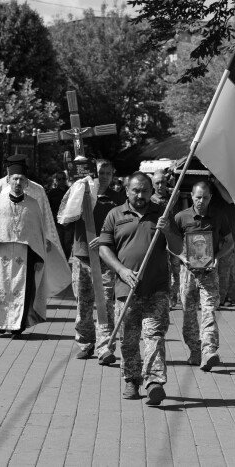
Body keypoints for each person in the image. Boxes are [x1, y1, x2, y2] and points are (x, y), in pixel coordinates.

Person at [99, 172, 183, 406]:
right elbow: (104, 248)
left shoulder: (163, 214)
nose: (140, 195)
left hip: (156, 288)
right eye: (135, 190)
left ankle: (154, 382)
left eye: (145, 190)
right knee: (129, 338)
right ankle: (132, 379)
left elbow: (178, 248)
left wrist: (168, 230)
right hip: (125, 289)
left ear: (151, 191)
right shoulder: (115, 215)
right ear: (127, 191)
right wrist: (121, 270)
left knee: (154, 335)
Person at [0, 155, 71, 335]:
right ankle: (2, 323)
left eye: (21, 179)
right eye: (15, 179)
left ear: (26, 182)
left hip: (26, 257)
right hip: (1, 255)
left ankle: (18, 325)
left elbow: (37, 233)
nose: (17, 182)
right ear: (9, 179)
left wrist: (38, 257)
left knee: (24, 289)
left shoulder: (33, 203)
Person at [174, 181, 234, 371]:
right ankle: (195, 351)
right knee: (189, 315)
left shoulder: (219, 216)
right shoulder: (181, 217)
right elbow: (170, 243)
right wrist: (182, 257)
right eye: (198, 197)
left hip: (209, 273)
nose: (201, 201)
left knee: (209, 311)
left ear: (211, 198)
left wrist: (217, 257)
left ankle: (209, 350)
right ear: (191, 196)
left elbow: (230, 242)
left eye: (205, 197)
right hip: (188, 273)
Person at [67, 160, 120, 364]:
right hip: (82, 255)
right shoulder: (80, 195)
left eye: (108, 173)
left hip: (106, 258)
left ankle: (105, 346)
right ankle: (85, 342)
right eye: (100, 172)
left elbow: (121, 227)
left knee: (106, 303)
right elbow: (66, 218)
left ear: (113, 175)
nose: (104, 176)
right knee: (83, 302)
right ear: (93, 174)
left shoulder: (117, 199)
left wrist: (105, 239)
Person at [150, 169, 182, 309]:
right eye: (157, 183)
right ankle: (166, 298)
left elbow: (178, 191)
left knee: (176, 269)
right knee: (165, 270)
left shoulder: (171, 197)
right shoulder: (151, 199)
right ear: (152, 185)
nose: (160, 185)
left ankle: (174, 297)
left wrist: (169, 187)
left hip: (173, 237)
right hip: (159, 240)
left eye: (163, 182)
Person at [47, 171, 72, 259]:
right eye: (59, 179)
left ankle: (66, 260)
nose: (61, 180)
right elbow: (48, 208)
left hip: (69, 222)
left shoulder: (71, 191)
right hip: (57, 223)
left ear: (66, 179)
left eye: (63, 178)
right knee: (60, 243)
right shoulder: (52, 193)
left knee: (68, 243)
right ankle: (63, 262)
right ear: (56, 180)